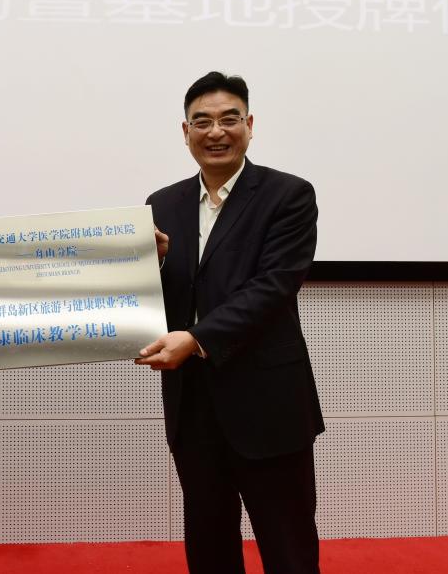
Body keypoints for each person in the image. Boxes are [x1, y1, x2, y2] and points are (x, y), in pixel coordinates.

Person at [136, 71, 324, 574]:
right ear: (185, 131)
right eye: (202, 122)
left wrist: (197, 339)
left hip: (268, 403)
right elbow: (161, 298)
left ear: (250, 125)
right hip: (193, 404)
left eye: (228, 119)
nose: (215, 132)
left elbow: (273, 288)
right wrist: (149, 266)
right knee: (209, 542)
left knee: (288, 546)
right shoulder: (162, 204)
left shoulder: (288, 195)